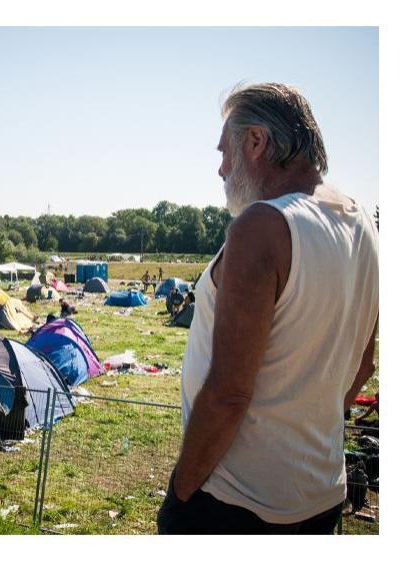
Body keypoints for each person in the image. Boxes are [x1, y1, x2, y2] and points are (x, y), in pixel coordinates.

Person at [157, 83, 378, 534]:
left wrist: (182, 489)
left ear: (256, 142)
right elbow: (363, 364)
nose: (220, 170)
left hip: (235, 503)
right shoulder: (363, 226)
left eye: (225, 151)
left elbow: (228, 393)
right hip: (319, 494)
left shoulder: (263, 225)